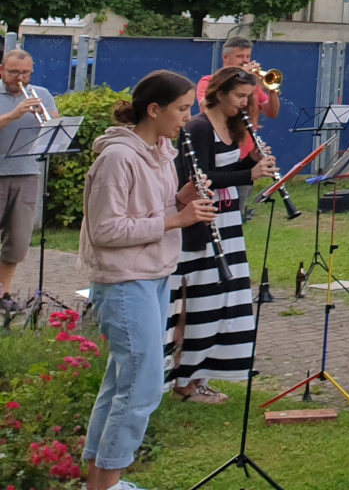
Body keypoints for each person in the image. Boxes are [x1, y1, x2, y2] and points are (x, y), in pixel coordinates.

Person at [80, 71, 217, 490]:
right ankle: (107, 483)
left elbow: (149, 209)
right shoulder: (117, 158)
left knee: (121, 382)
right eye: (181, 109)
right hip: (124, 281)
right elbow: (106, 229)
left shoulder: (161, 151)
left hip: (154, 275)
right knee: (143, 386)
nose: (188, 117)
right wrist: (176, 219)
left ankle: (100, 482)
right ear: (154, 110)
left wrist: (181, 199)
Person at [167, 67, 276, 404]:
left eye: (248, 97)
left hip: (227, 220)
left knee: (222, 301)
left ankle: (202, 375)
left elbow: (223, 171)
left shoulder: (233, 125)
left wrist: (252, 163)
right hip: (201, 221)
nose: (245, 103)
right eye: (240, 96)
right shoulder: (198, 127)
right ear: (219, 93)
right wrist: (249, 173)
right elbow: (198, 177)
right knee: (198, 303)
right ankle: (183, 380)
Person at [0, 49, 58, 310]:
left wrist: (50, 121)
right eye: (14, 72)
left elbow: (54, 129)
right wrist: (14, 114)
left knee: (18, 240)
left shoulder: (41, 94)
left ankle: (3, 292)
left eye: (26, 73)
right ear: (2, 70)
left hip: (27, 172)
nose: (20, 78)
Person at [195, 37, 282, 124]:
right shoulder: (208, 81)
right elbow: (206, 106)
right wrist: (239, 75)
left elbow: (272, 114)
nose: (245, 61)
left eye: (248, 56)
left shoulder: (252, 84)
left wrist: (272, 91)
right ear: (225, 57)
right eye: (239, 56)